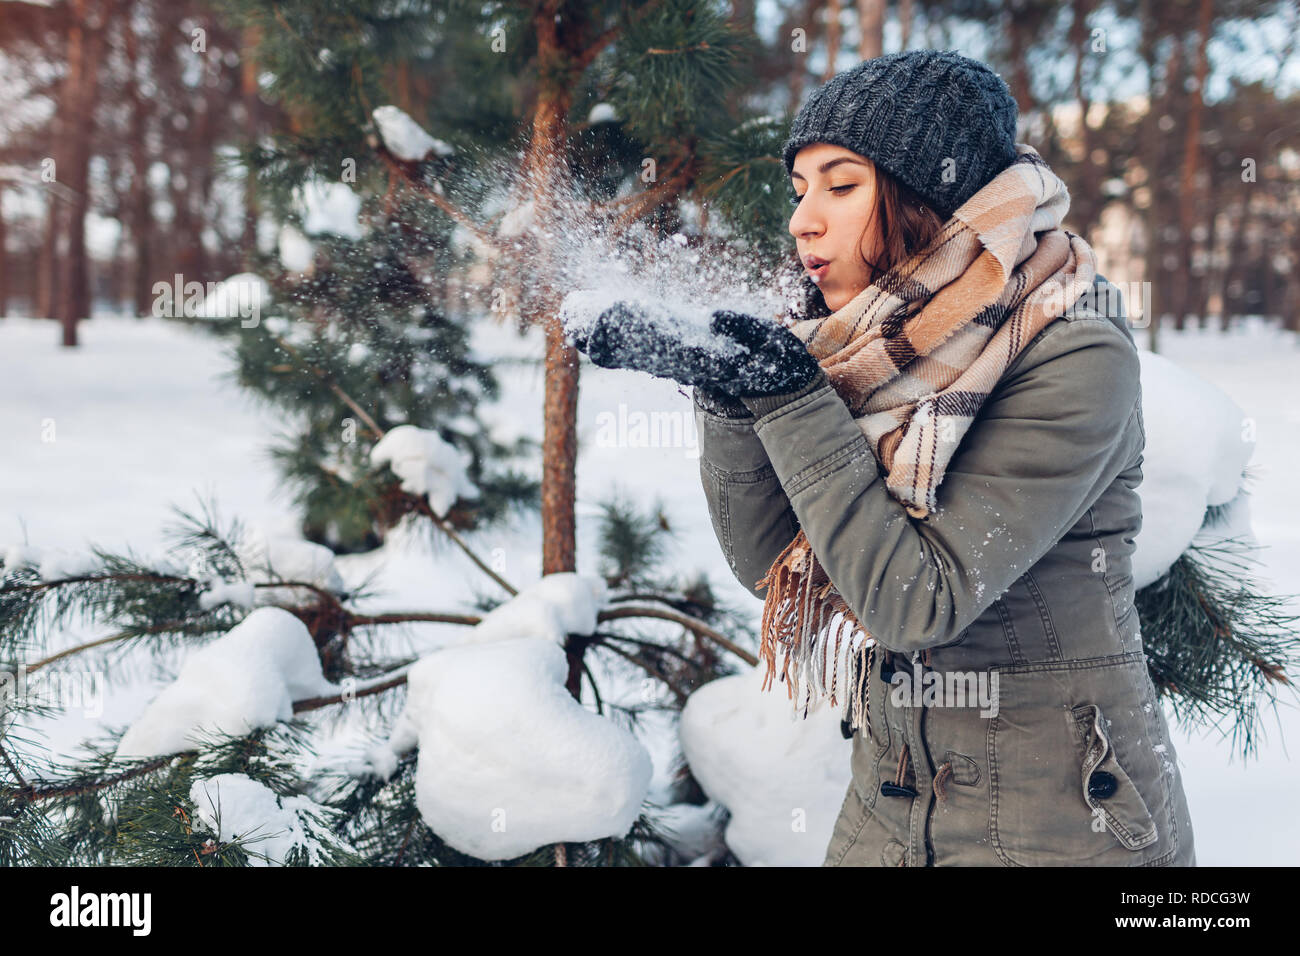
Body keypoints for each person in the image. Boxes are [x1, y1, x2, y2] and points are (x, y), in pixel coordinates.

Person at [571, 49, 1196, 867]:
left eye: (840, 184)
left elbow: (915, 601)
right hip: (888, 805)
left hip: (1066, 821)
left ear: (928, 195)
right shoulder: (853, 350)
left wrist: (792, 401)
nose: (802, 220)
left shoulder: (1072, 350)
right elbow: (769, 562)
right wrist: (730, 393)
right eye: (799, 192)